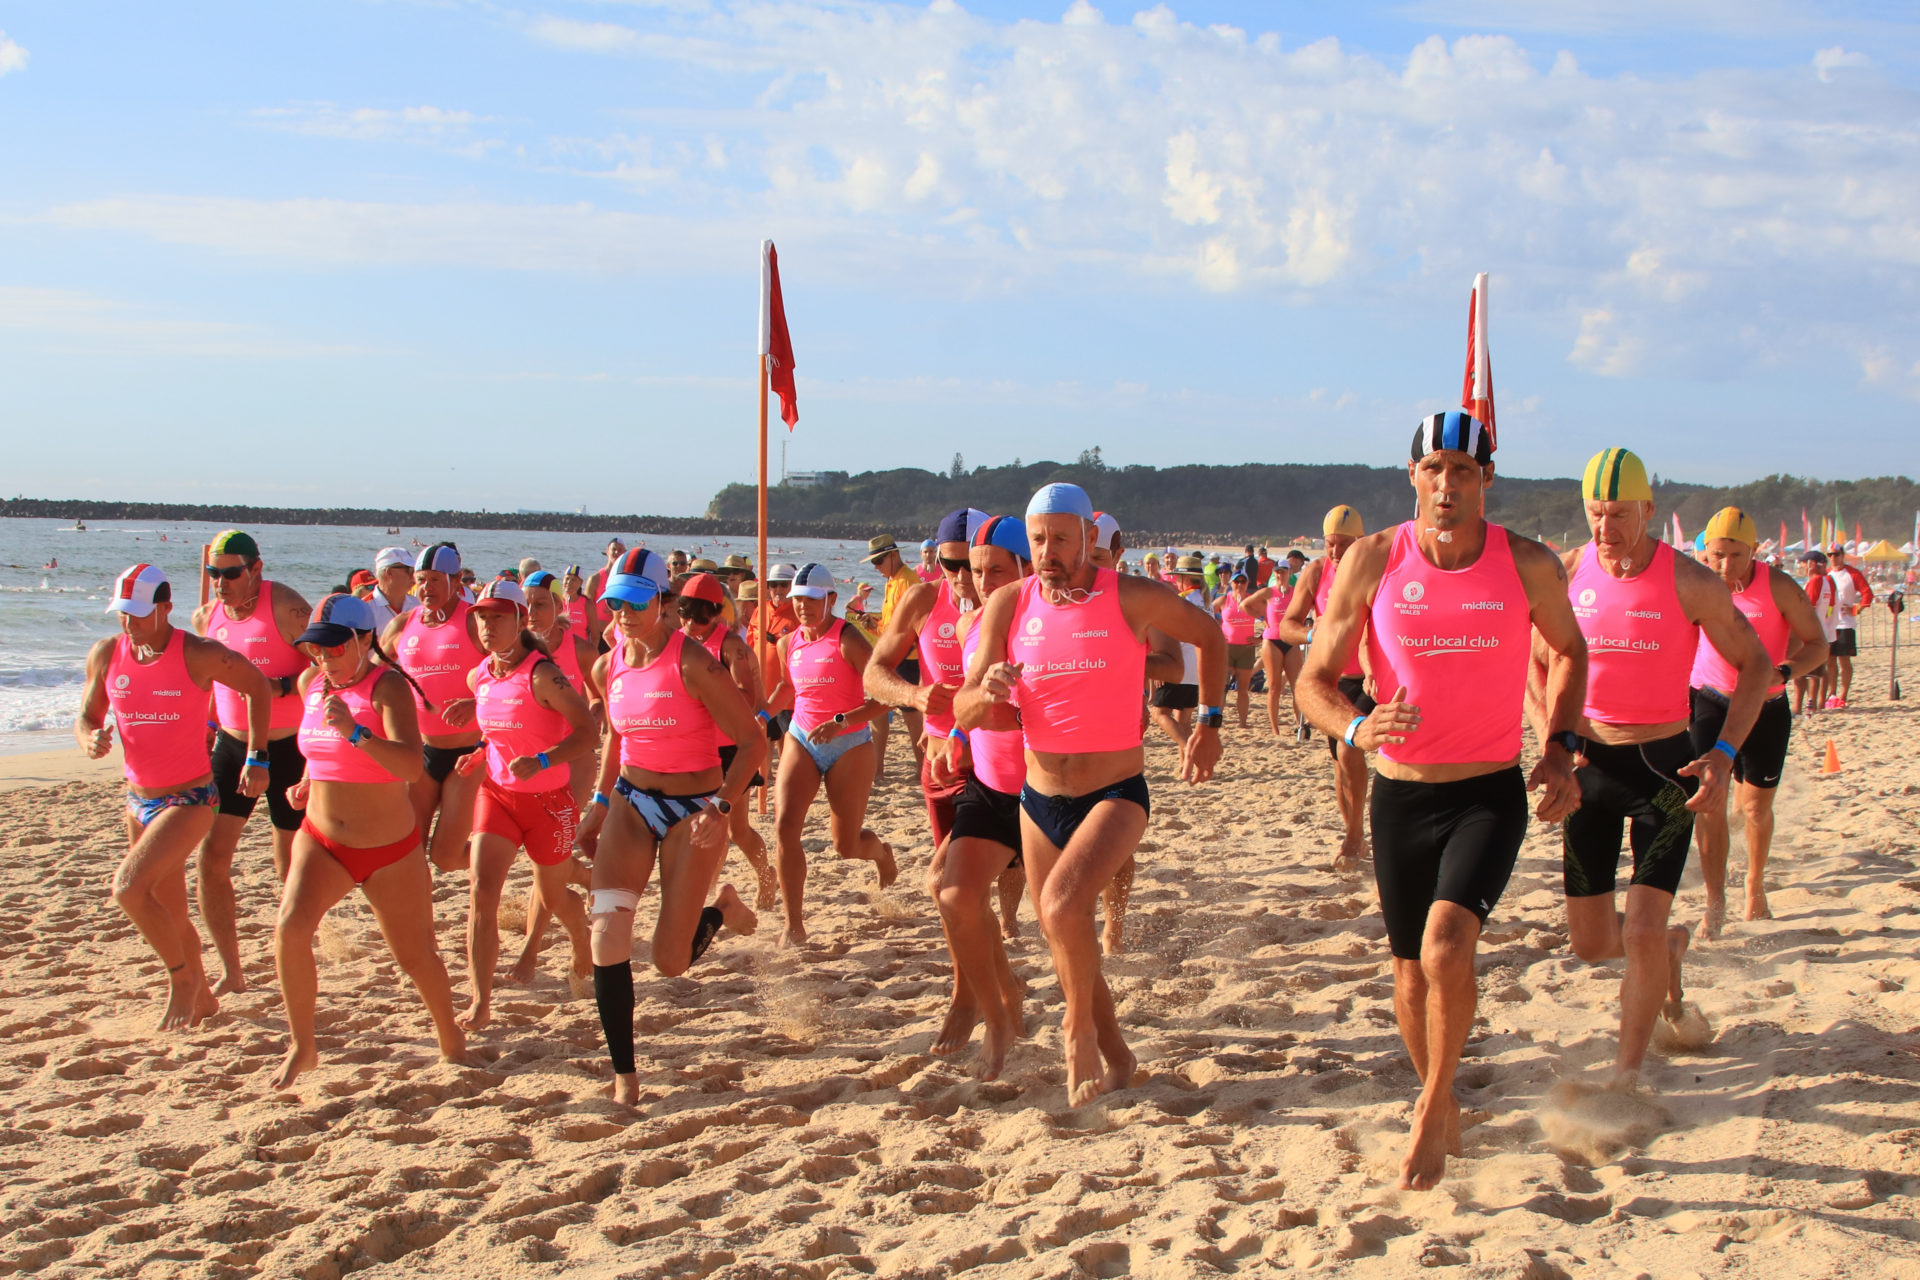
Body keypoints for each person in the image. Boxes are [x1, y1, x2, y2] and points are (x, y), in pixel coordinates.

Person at [1299, 412, 1588, 1189]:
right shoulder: (1371, 559)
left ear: (1486, 479)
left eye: (1464, 470)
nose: (1448, 484)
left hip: (1488, 792)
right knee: (1407, 975)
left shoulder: (1526, 564)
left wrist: (1561, 745)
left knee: (1447, 948)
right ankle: (1443, 1093)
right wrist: (1357, 728)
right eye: (1435, 470)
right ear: (1412, 474)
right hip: (1399, 794)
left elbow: (1570, 651)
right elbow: (1312, 681)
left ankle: (1432, 1105)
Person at [956, 483, 1227, 1106]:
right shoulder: (1007, 604)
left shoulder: (1127, 596)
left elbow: (1209, 636)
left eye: (1061, 538)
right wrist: (987, 688)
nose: (1048, 551)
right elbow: (965, 707)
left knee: (1059, 907)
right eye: (1039, 539)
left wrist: (1209, 725)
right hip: (1038, 794)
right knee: (1065, 932)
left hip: (1115, 791)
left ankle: (1076, 1033)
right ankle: (1122, 1058)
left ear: (1086, 537)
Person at [1543, 448, 1770, 1093]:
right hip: (1589, 767)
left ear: (1649, 509)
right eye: (1594, 513)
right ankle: (1670, 949)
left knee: (1639, 929)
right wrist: (1553, 742)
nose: (1605, 527)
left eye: (1618, 513)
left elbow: (1755, 667)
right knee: (1591, 943)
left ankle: (1627, 1074)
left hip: (1663, 772)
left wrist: (1725, 754)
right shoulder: (1569, 573)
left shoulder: (1691, 582)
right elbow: (1539, 663)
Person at [572, 550, 763, 1105]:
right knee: (606, 935)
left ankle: (721, 909)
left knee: (669, 962)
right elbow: (617, 739)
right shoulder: (609, 665)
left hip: (696, 809)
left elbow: (751, 742)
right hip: (632, 803)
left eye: (635, 602)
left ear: (665, 603)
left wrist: (723, 807)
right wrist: (601, 803)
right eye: (614, 602)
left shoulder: (695, 665)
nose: (623, 613)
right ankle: (625, 1076)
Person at [275, 593, 464, 1087]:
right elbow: (315, 749)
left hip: (390, 850)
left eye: (335, 648)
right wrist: (308, 781)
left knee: (416, 956)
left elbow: (407, 765)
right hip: (322, 840)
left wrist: (357, 733)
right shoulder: (310, 682)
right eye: (316, 648)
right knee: (290, 929)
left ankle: (451, 1039)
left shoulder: (390, 689)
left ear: (364, 640)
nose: (324, 658)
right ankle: (304, 1046)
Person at [77, 564, 272, 1032]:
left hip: (191, 798)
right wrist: (89, 738)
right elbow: (87, 715)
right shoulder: (108, 653)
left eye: (139, 614)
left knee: (127, 889)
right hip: (137, 800)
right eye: (123, 613)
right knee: (168, 910)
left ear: (165, 607)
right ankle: (204, 996)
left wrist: (257, 756)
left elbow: (258, 687)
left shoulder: (199, 654)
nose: (129, 623)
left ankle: (182, 981)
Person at [450, 580, 599, 1029]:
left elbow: (588, 734)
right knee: (481, 892)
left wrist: (543, 760)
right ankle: (481, 999)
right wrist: (480, 751)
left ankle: (580, 939)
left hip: (548, 801)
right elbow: (501, 727)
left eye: (498, 616)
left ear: (519, 620)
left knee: (553, 896)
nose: (488, 625)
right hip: (496, 796)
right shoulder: (480, 675)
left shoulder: (543, 675)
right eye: (481, 616)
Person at [1690, 509, 1829, 937]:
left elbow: (1819, 643)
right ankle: (1715, 902)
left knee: (1755, 808)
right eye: (1717, 555)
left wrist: (1785, 672)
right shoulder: (1695, 585)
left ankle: (1754, 883)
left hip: (1766, 706)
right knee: (1709, 802)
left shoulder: (1779, 587)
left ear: (1754, 550)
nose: (1726, 566)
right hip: (1709, 699)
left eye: (1736, 555)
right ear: (1705, 552)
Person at [932, 514, 1034, 1078]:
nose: (982, 581)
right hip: (991, 785)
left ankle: (1086, 1026)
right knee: (952, 894)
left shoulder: (1046, 621)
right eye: (975, 570)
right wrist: (954, 734)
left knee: (1061, 918)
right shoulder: (972, 621)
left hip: (1047, 794)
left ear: (1025, 567)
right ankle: (994, 1012)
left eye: (997, 570)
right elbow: (968, 697)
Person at [191, 530, 313, 996]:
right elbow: (203, 682)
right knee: (212, 857)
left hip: (288, 747)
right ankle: (231, 969)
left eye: (231, 573)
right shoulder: (207, 616)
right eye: (213, 574)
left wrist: (279, 687)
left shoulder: (285, 606)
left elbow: (324, 663)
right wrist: (202, 732)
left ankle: (293, 948)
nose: (221, 583)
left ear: (255, 569)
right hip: (231, 746)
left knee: (291, 864)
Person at [769, 563, 899, 946]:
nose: (803, 607)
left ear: (830, 599)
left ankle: (881, 854)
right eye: (797, 600)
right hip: (802, 738)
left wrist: (841, 721)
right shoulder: (787, 642)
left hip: (851, 745)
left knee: (846, 846)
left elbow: (885, 696)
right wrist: (758, 715)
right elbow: (786, 687)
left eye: (811, 600)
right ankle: (794, 925)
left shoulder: (849, 641)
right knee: (784, 827)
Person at [865, 509, 987, 850]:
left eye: (971, 564)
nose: (962, 575)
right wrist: (914, 695)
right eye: (951, 565)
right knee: (949, 880)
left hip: (990, 766)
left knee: (957, 878)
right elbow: (874, 671)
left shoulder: (1009, 601)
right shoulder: (922, 599)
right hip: (936, 766)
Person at [380, 542, 485, 874]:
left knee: (444, 856)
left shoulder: (474, 622)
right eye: (421, 580)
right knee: (405, 853)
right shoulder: (401, 627)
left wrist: (477, 702)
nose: (427, 588)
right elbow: (372, 678)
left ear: (456, 582)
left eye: (436, 580)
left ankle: (497, 854)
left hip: (468, 755)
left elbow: (516, 674)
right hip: (421, 752)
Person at [678, 570, 777, 908]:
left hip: (730, 748)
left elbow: (750, 698)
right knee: (702, 825)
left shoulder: (730, 645)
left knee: (735, 829)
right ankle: (704, 895)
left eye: (700, 615)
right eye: (686, 614)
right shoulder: (678, 640)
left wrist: (705, 701)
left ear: (717, 612)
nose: (692, 623)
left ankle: (766, 876)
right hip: (692, 746)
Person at [1280, 507, 1372, 868]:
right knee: (1339, 763)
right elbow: (1286, 626)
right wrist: (1312, 633)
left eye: (1344, 545)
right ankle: (1354, 830)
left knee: (1351, 751)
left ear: (1359, 542)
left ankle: (1355, 834)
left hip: (1368, 675)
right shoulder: (1316, 572)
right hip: (1332, 679)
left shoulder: (1372, 565)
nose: (1336, 552)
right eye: (1331, 544)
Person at [858, 535, 929, 778]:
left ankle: (922, 769)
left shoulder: (908, 581)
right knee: (879, 710)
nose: (876, 567)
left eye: (879, 561)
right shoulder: (893, 581)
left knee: (911, 717)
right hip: (894, 655)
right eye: (873, 563)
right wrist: (873, 625)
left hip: (907, 658)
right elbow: (892, 626)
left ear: (894, 555)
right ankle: (878, 769)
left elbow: (916, 622)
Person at [1243, 550, 1306, 737]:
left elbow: (1308, 608)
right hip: (1271, 640)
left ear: (1289, 573)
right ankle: (1275, 728)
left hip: (1291, 641)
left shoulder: (1296, 593)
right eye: (1277, 571)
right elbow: (1245, 605)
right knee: (1275, 686)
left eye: (1283, 571)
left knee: (1296, 686)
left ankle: (1299, 724)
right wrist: (1262, 617)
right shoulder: (1269, 592)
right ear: (1274, 573)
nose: (1280, 574)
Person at [1148, 555, 1207, 745]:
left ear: (1184, 578)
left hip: (1179, 663)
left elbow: (1167, 632)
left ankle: (1192, 754)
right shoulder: (1206, 602)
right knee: (1184, 720)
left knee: (1159, 713)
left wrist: (1161, 661)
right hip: (1197, 666)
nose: (1175, 581)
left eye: (1177, 577)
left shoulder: (1181, 599)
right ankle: (1187, 767)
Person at [1213, 572, 1260, 728]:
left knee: (1243, 689)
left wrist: (1261, 638)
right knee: (1221, 688)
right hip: (1226, 648)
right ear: (1231, 584)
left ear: (1248, 583)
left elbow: (1270, 618)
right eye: (1236, 582)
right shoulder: (1223, 600)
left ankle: (1243, 723)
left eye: (1243, 582)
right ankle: (1216, 720)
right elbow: (1205, 614)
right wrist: (1216, 634)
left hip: (1246, 649)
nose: (1239, 585)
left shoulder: (1252, 601)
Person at [1828, 543, 1873, 706]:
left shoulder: (1852, 573)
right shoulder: (1827, 574)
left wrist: (1856, 609)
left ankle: (1843, 695)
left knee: (1844, 660)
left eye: (1836, 554)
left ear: (1843, 555)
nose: (1833, 558)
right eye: (1830, 555)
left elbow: (1867, 593)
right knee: (1829, 660)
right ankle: (1831, 694)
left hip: (1846, 624)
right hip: (1829, 624)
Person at [1795, 551, 1837, 714]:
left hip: (1810, 631)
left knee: (1800, 672)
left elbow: (1808, 607)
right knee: (1818, 670)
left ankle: (1799, 706)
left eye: (1805, 563)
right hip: (1824, 630)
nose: (1803, 567)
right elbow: (1831, 608)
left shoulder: (1815, 581)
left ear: (1812, 564)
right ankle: (1815, 703)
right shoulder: (1829, 580)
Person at [367, 547, 419, 630]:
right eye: (409, 571)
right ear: (389, 572)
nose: (414, 577)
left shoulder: (419, 606)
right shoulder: (366, 608)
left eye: (415, 571)